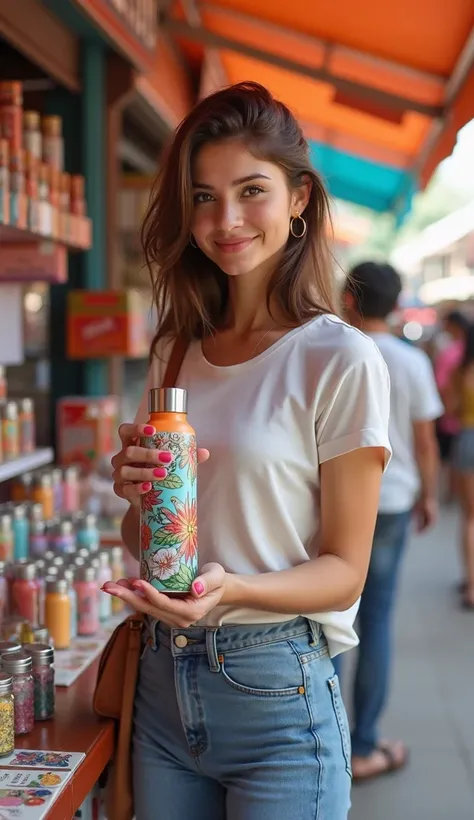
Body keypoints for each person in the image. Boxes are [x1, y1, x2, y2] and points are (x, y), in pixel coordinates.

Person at [104, 83, 391, 820]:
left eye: (250, 191)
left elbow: (344, 572)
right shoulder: (175, 350)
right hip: (163, 693)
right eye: (203, 196)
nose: (223, 221)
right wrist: (138, 499)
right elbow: (147, 543)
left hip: (278, 696)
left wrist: (233, 592)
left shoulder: (340, 358)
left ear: (299, 197)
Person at [343, 261, 442, 782]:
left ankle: (329, 740)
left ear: (350, 298)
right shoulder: (410, 360)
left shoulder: (336, 352)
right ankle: (363, 745)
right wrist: (429, 495)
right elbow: (425, 439)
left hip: (336, 504)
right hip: (394, 500)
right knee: (376, 620)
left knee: (332, 620)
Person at [446, 322, 474, 609]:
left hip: (468, 438)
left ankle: (471, 585)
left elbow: (450, 409)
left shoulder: (461, 371)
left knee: (470, 517)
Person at [434, 310, 469, 501]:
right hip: (464, 421)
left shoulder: (448, 354)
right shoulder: (461, 353)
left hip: (452, 419)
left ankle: (452, 492)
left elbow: (441, 386)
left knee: (449, 459)